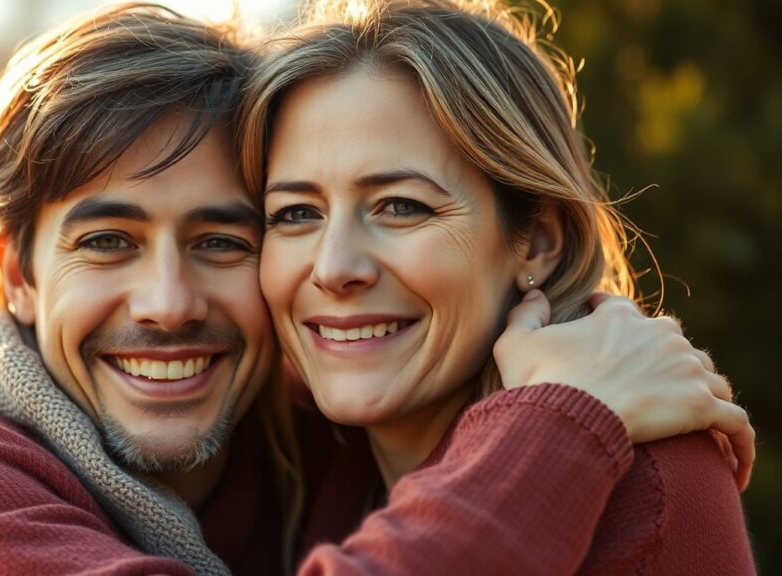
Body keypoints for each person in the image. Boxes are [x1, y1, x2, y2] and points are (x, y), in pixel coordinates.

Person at [0, 4, 752, 576]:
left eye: (226, 236)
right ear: (15, 272)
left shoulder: (637, 484)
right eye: (107, 240)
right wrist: (558, 421)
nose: (168, 302)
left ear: (534, 241)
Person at [241, 0, 756, 573]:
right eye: (293, 213)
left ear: (536, 241)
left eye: (401, 207)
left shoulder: (647, 489)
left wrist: (571, 423)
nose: (334, 268)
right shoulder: (287, 448)